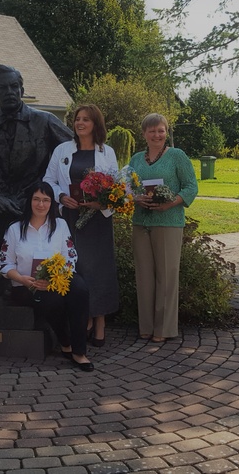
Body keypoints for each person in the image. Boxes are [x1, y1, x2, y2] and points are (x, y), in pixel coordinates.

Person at [0, 65, 73, 269]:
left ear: (22, 90)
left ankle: (43, 271)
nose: (9, 92)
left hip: (33, 193)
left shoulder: (44, 121)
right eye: (3, 88)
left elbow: (73, 149)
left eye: (14, 87)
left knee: (41, 202)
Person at [44, 104, 119, 347]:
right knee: (78, 268)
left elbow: (117, 186)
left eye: (86, 119)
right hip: (71, 218)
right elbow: (49, 180)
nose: (80, 123)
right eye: (78, 119)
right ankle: (84, 318)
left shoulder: (107, 152)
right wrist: (60, 197)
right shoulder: (62, 150)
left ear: (95, 124)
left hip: (98, 220)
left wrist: (102, 202)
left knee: (99, 271)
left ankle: (100, 321)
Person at [0, 182, 93, 371]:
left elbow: (70, 257)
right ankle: (65, 342)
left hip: (57, 279)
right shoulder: (15, 229)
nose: (41, 204)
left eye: (46, 200)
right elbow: (4, 263)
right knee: (53, 299)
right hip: (26, 285)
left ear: (51, 203)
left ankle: (79, 352)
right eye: (36, 199)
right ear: (29, 201)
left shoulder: (61, 225)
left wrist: (55, 279)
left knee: (80, 289)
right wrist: (22, 279)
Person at [129, 113, 198, 342]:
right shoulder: (136, 159)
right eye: (152, 131)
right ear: (144, 134)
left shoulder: (177, 156)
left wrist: (171, 202)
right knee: (144, 276)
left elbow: (191, 186)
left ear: (166, 132)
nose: (157, 135)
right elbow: (127, 187)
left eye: (161, 130)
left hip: (169, 222)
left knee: (166, 276)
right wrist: (136, 198)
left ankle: (164, 329)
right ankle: (146, 326)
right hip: (141, 222)